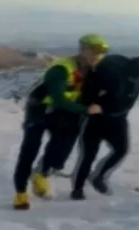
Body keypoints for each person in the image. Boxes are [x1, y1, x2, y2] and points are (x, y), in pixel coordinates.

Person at [12, 34, 108, 211]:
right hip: (39, 109)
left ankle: (41, 174)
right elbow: (58, 99)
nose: (97, 55)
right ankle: (20, 194)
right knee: (30, 149)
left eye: (102, 51)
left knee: (64, 142)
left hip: (60, 111)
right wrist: (85, 110)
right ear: (83, 49)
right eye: (94, 50)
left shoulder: (91, 70)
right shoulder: (61, 69)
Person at [71, 54, 139, 200]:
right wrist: (90, 106)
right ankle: (77, 189)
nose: (136, 80)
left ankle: (98, 177)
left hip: (117, 121)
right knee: (88, 156)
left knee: (121, 150)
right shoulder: (112, 74)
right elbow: (89, 92)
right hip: (97, 120)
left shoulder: (136, 78)